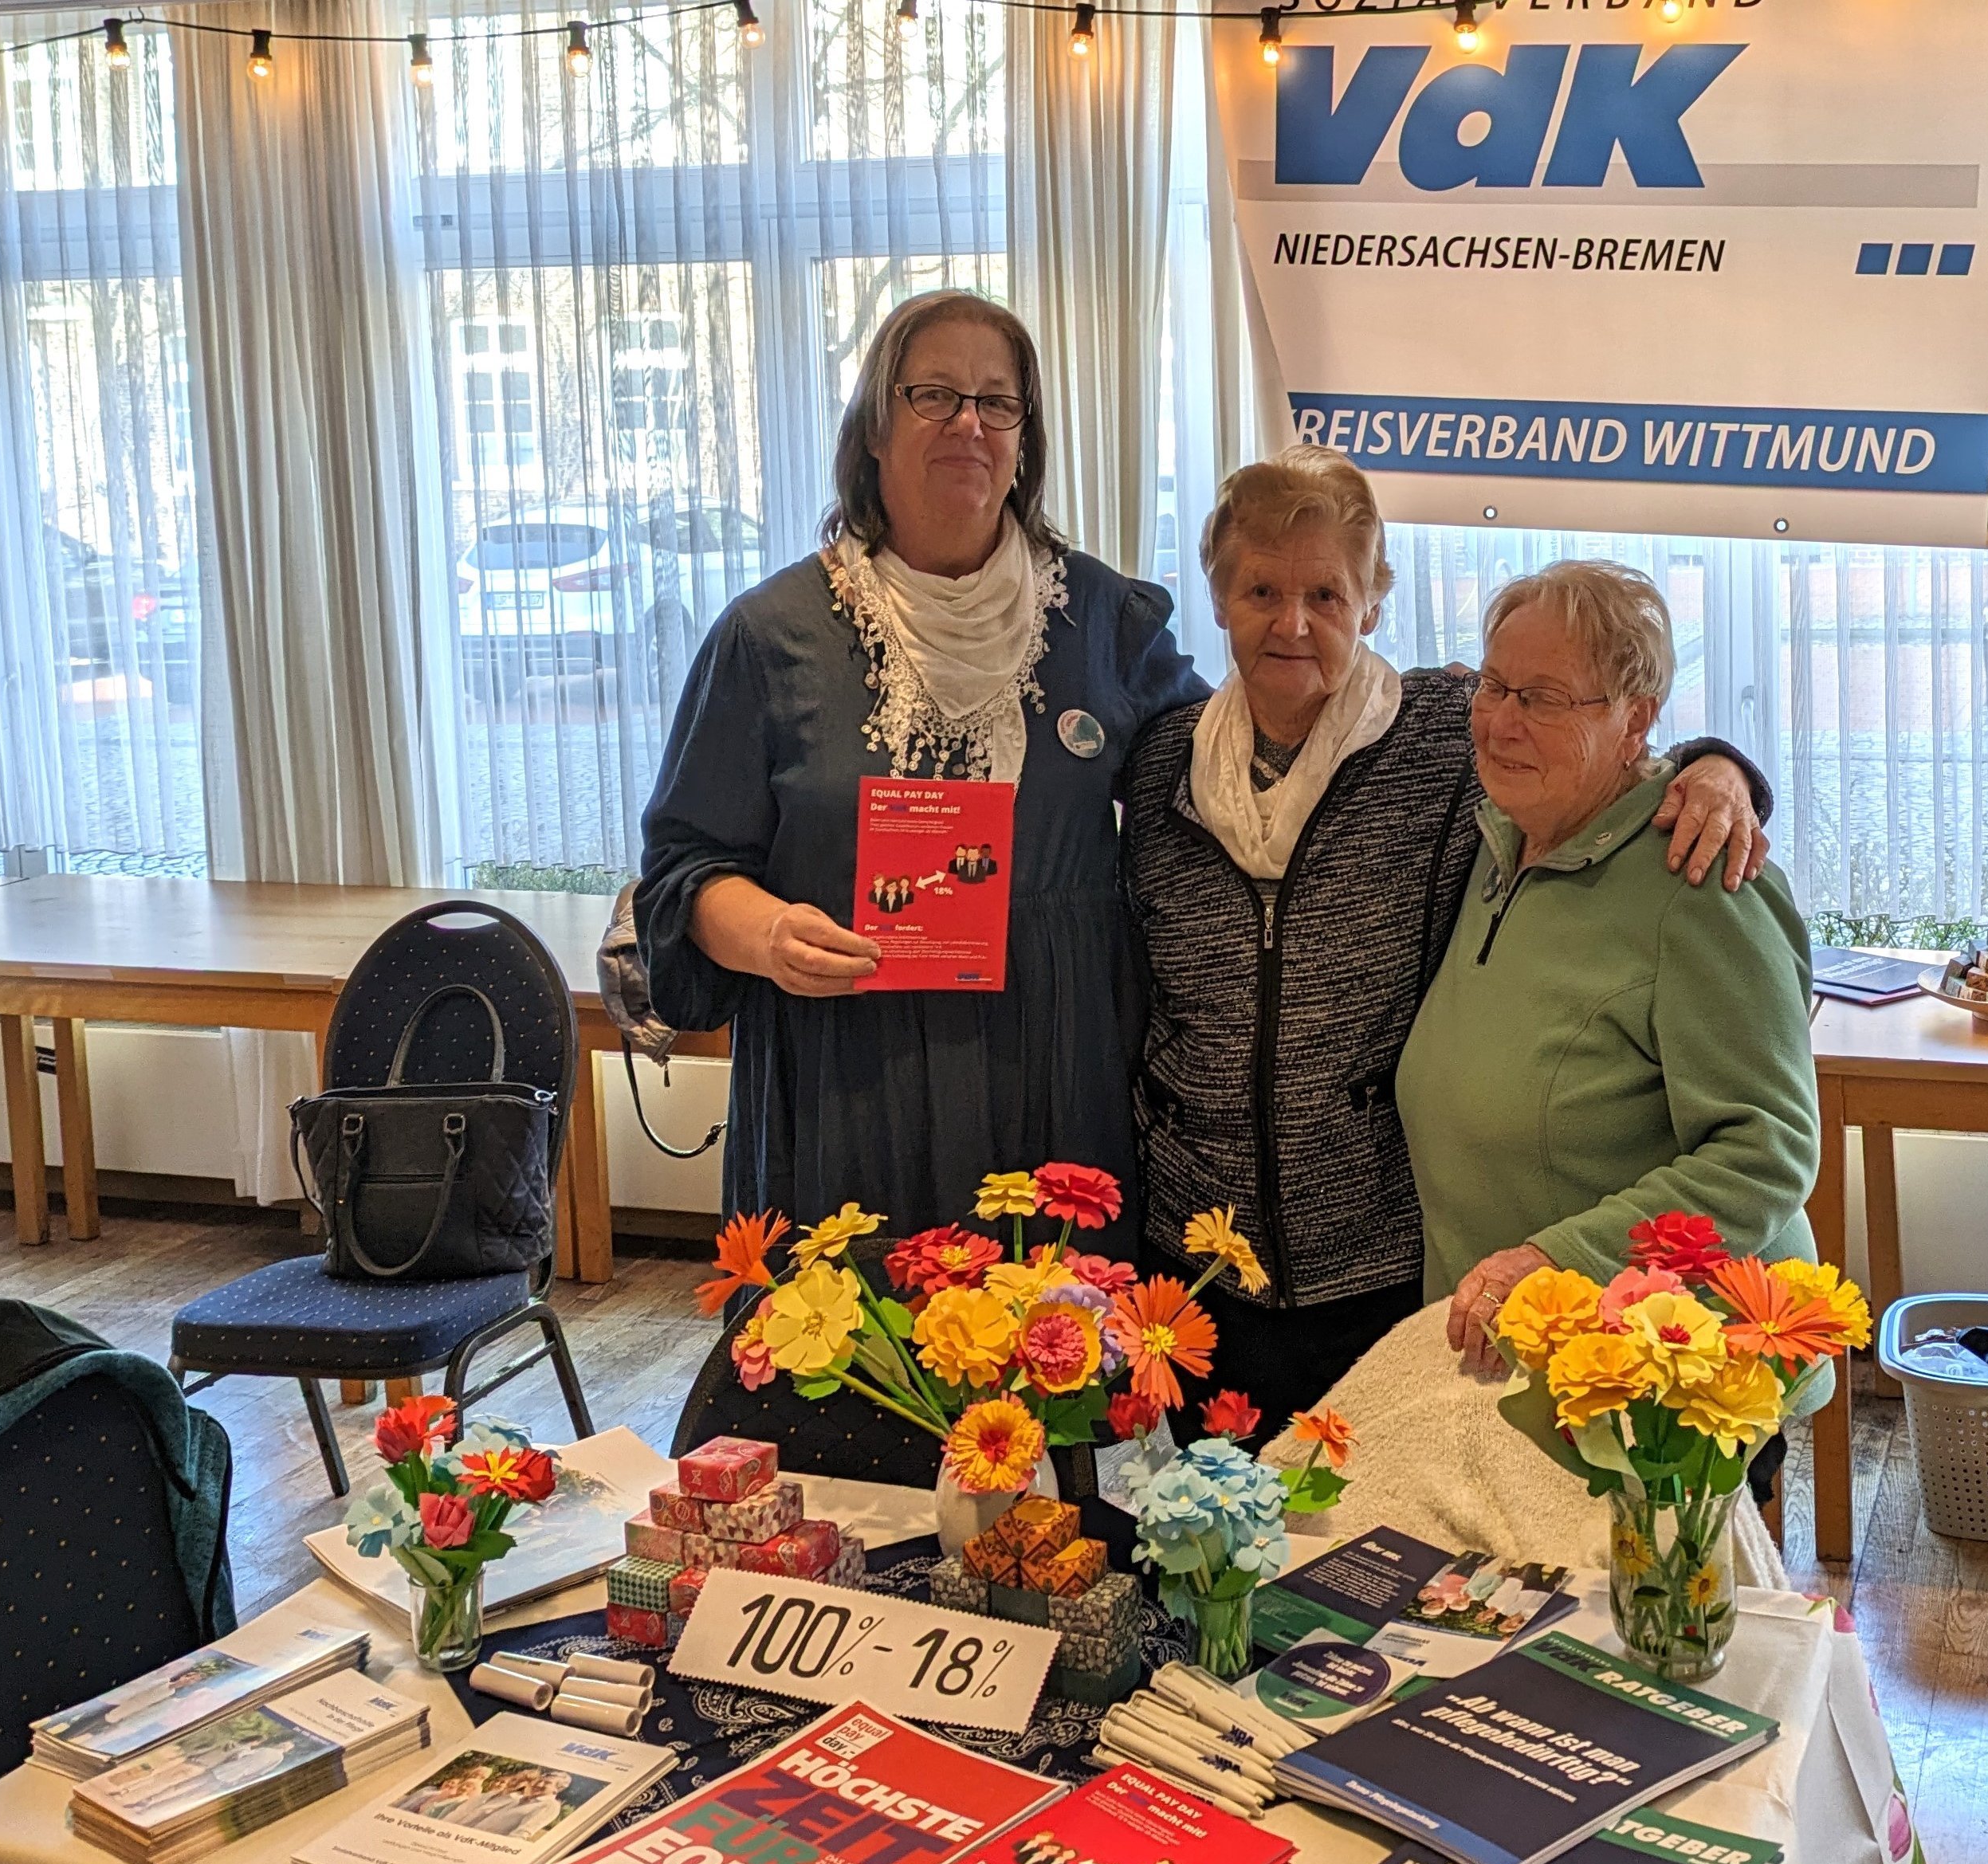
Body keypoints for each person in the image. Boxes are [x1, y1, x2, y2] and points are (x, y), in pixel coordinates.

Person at [639, 288, 1208, 1481]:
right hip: (849, 1078)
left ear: (1025, 438)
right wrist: (766, 934)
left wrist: (1703, 768)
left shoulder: (1103, 619)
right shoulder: (769, 635)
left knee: (1053, 1433)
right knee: (851, 1422)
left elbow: (1244, 769)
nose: (967, 422)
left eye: (995, 400)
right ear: (873, 430)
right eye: (932, 393)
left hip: (1052, 1074)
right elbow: (684, 869)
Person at [1121, 449, 1766, 1438]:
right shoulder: (1162, 760)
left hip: (1381, 1265)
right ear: (1217, 595)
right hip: (1196, 1265)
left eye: (1327, 593)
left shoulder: (1439, 737)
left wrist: (1722, 770)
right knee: (1201, 1554)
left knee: (1366, 1564)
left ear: (1373, 603)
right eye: (1262, 590)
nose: (1293, 623)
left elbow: (1596, 745)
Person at [1393, 560, 1821, 1358]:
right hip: (1508, 1350)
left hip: (1666, 1374)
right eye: (1494, 686)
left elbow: (1764, 1154)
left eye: (1546, 698)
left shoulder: (1702, 881)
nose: (1502, 721)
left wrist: (1560, 1259)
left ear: (1636, 718)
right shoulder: (1496, 837)